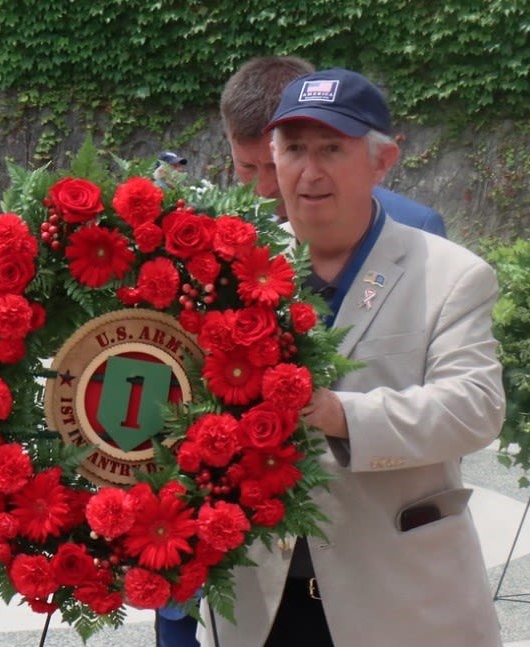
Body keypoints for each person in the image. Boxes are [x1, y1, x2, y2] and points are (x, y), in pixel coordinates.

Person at [197, 68, 504, 647]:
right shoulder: (232, 270)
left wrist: (340, 414)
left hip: (398, 607)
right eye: (293, 150)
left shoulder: (451, 275)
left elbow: (474, 409)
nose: (309, 173)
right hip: (259, 608)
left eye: (331, 149)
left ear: (382, 161)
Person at [219, 56, 447, 237]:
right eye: (247, 166)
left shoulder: (415, 227)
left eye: (274, 165)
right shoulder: (222, 231)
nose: (265, 188)